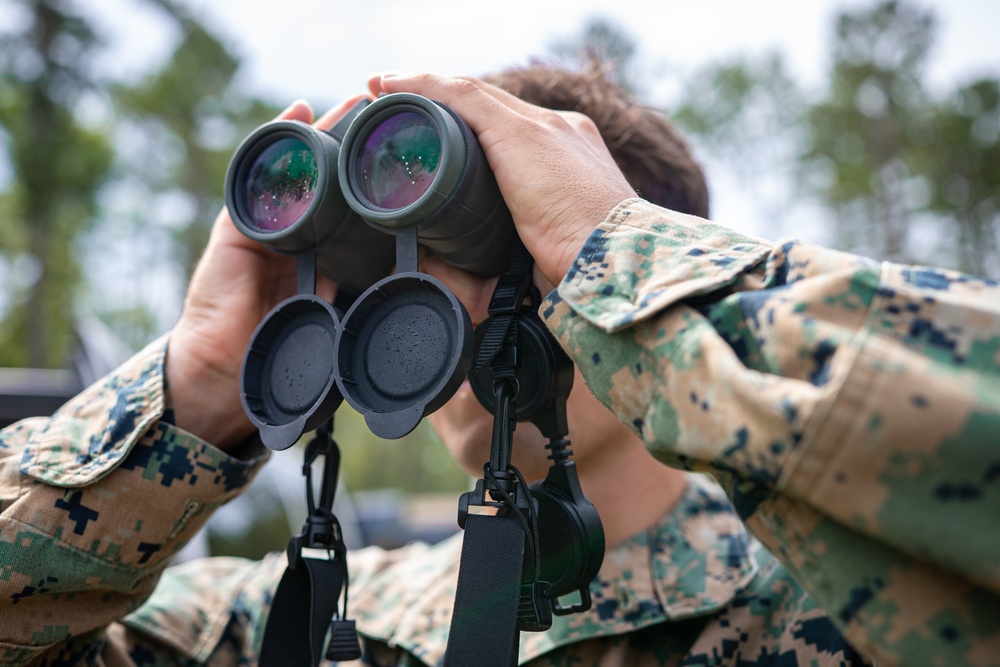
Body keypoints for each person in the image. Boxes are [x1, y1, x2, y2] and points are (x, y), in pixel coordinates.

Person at [1, 63, 998, 667]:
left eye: (483, 244)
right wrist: (195, 390)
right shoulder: (315, 618)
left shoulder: (833, 599)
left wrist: (621, 253)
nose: (424, 299)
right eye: (386, 271)